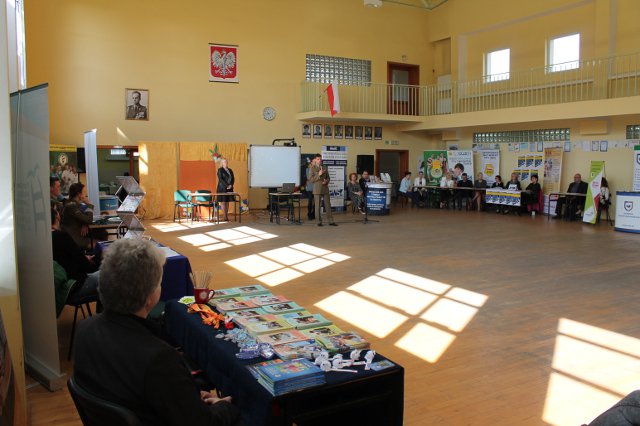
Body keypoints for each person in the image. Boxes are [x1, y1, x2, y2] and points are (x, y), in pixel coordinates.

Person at [73, 238, 242, 425]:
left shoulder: (85, 330)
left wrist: (186, 396)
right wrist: (224, 407)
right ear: (149, 296)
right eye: (159, 283)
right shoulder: (159, 359)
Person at [51, 206, 99, 316]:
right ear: (57, 217)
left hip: (61, 289)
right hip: (74, 286)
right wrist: (88, 261)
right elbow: (86, 267)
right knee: (109, 275)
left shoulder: (44, 239)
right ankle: (103, 319)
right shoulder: (61, 237)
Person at [61, 182, 94, 250]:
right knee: (101, 243)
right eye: (84, 192)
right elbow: (89, 220)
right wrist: (89, 205)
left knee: (102, 233)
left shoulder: (76, 204)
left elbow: (85, 218)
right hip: (74, 239)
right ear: (79, 194)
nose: (86, 195)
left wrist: (84, 223)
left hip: (78, 235)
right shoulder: (71, 206)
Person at [308, 154, 337, 226]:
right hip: (317, 189)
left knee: (328, 205)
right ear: (315, 160)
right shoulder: (312, 168)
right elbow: (311, 179)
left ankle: (331, 221)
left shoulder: (324, 167)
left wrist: (326, 181)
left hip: (325, 188)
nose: (319, 160)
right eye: (318, 159)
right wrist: (319, 174)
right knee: (317, 206)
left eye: (320, 159)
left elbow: (328, 178)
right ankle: (318, 222)